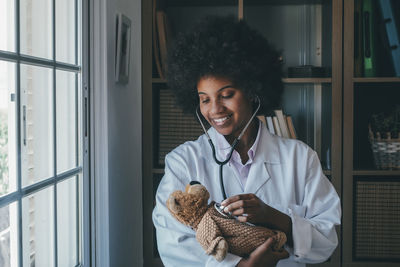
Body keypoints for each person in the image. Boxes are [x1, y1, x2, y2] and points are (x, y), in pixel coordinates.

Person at [152, 15, 341, 267]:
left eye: (226, 95)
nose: (215, 109)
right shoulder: (182, 162)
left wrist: (276, 218)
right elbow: (172, 243)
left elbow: (326, 242)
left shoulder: (300, 158)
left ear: (253, 90)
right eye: (204, 99)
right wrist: (241, 266)